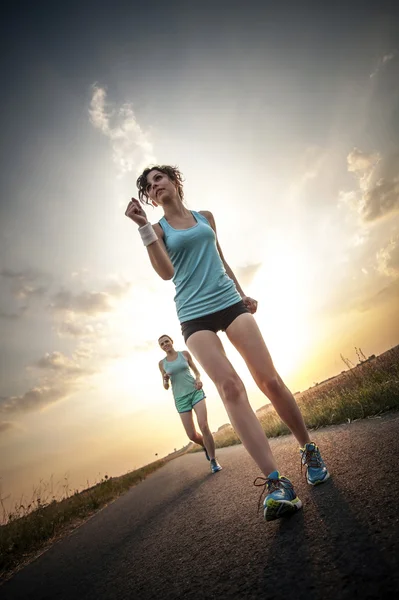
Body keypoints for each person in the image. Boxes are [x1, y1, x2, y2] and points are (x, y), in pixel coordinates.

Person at [125, 165, 330, 522]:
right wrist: (144, 228)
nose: (154, 186)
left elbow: (220, 258)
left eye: (159, 178)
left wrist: (242, 292)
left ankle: (308, 448)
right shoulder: (157, 229)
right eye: (148, 186)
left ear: (174, 182)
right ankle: (276, 483)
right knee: (231, 388)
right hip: (194, 315)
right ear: (148, 198)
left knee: (269, 380)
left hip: (229, 301)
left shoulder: (205, 217)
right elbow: (166, 272)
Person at [158, 333, 222, 474]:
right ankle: (205, 445)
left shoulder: (184, 354)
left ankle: (213, 460)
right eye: (162, 344)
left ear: (171, 341)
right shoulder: (162, 364)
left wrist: (198, 379)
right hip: (180, 399)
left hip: (195, 392)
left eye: (166, 341)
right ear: (161, 347)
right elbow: (166, 386)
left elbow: (197, 372)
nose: (165, 344)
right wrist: (165, 379)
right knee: (192, 435)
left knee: (204, 425)